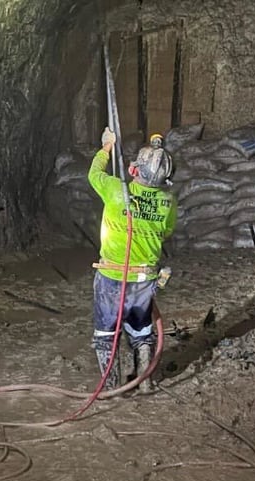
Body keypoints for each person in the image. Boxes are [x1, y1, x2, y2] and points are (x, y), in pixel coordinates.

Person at [87, 128, 178, 394]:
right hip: (143, 280)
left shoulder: (116, 189)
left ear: (133, 170)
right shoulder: (167, 202)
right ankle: (144, 382)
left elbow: (94, 174)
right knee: (141, 331)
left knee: (106, 335)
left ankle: (110, 387)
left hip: (110, 277)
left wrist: (107, 146)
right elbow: (166, 231)